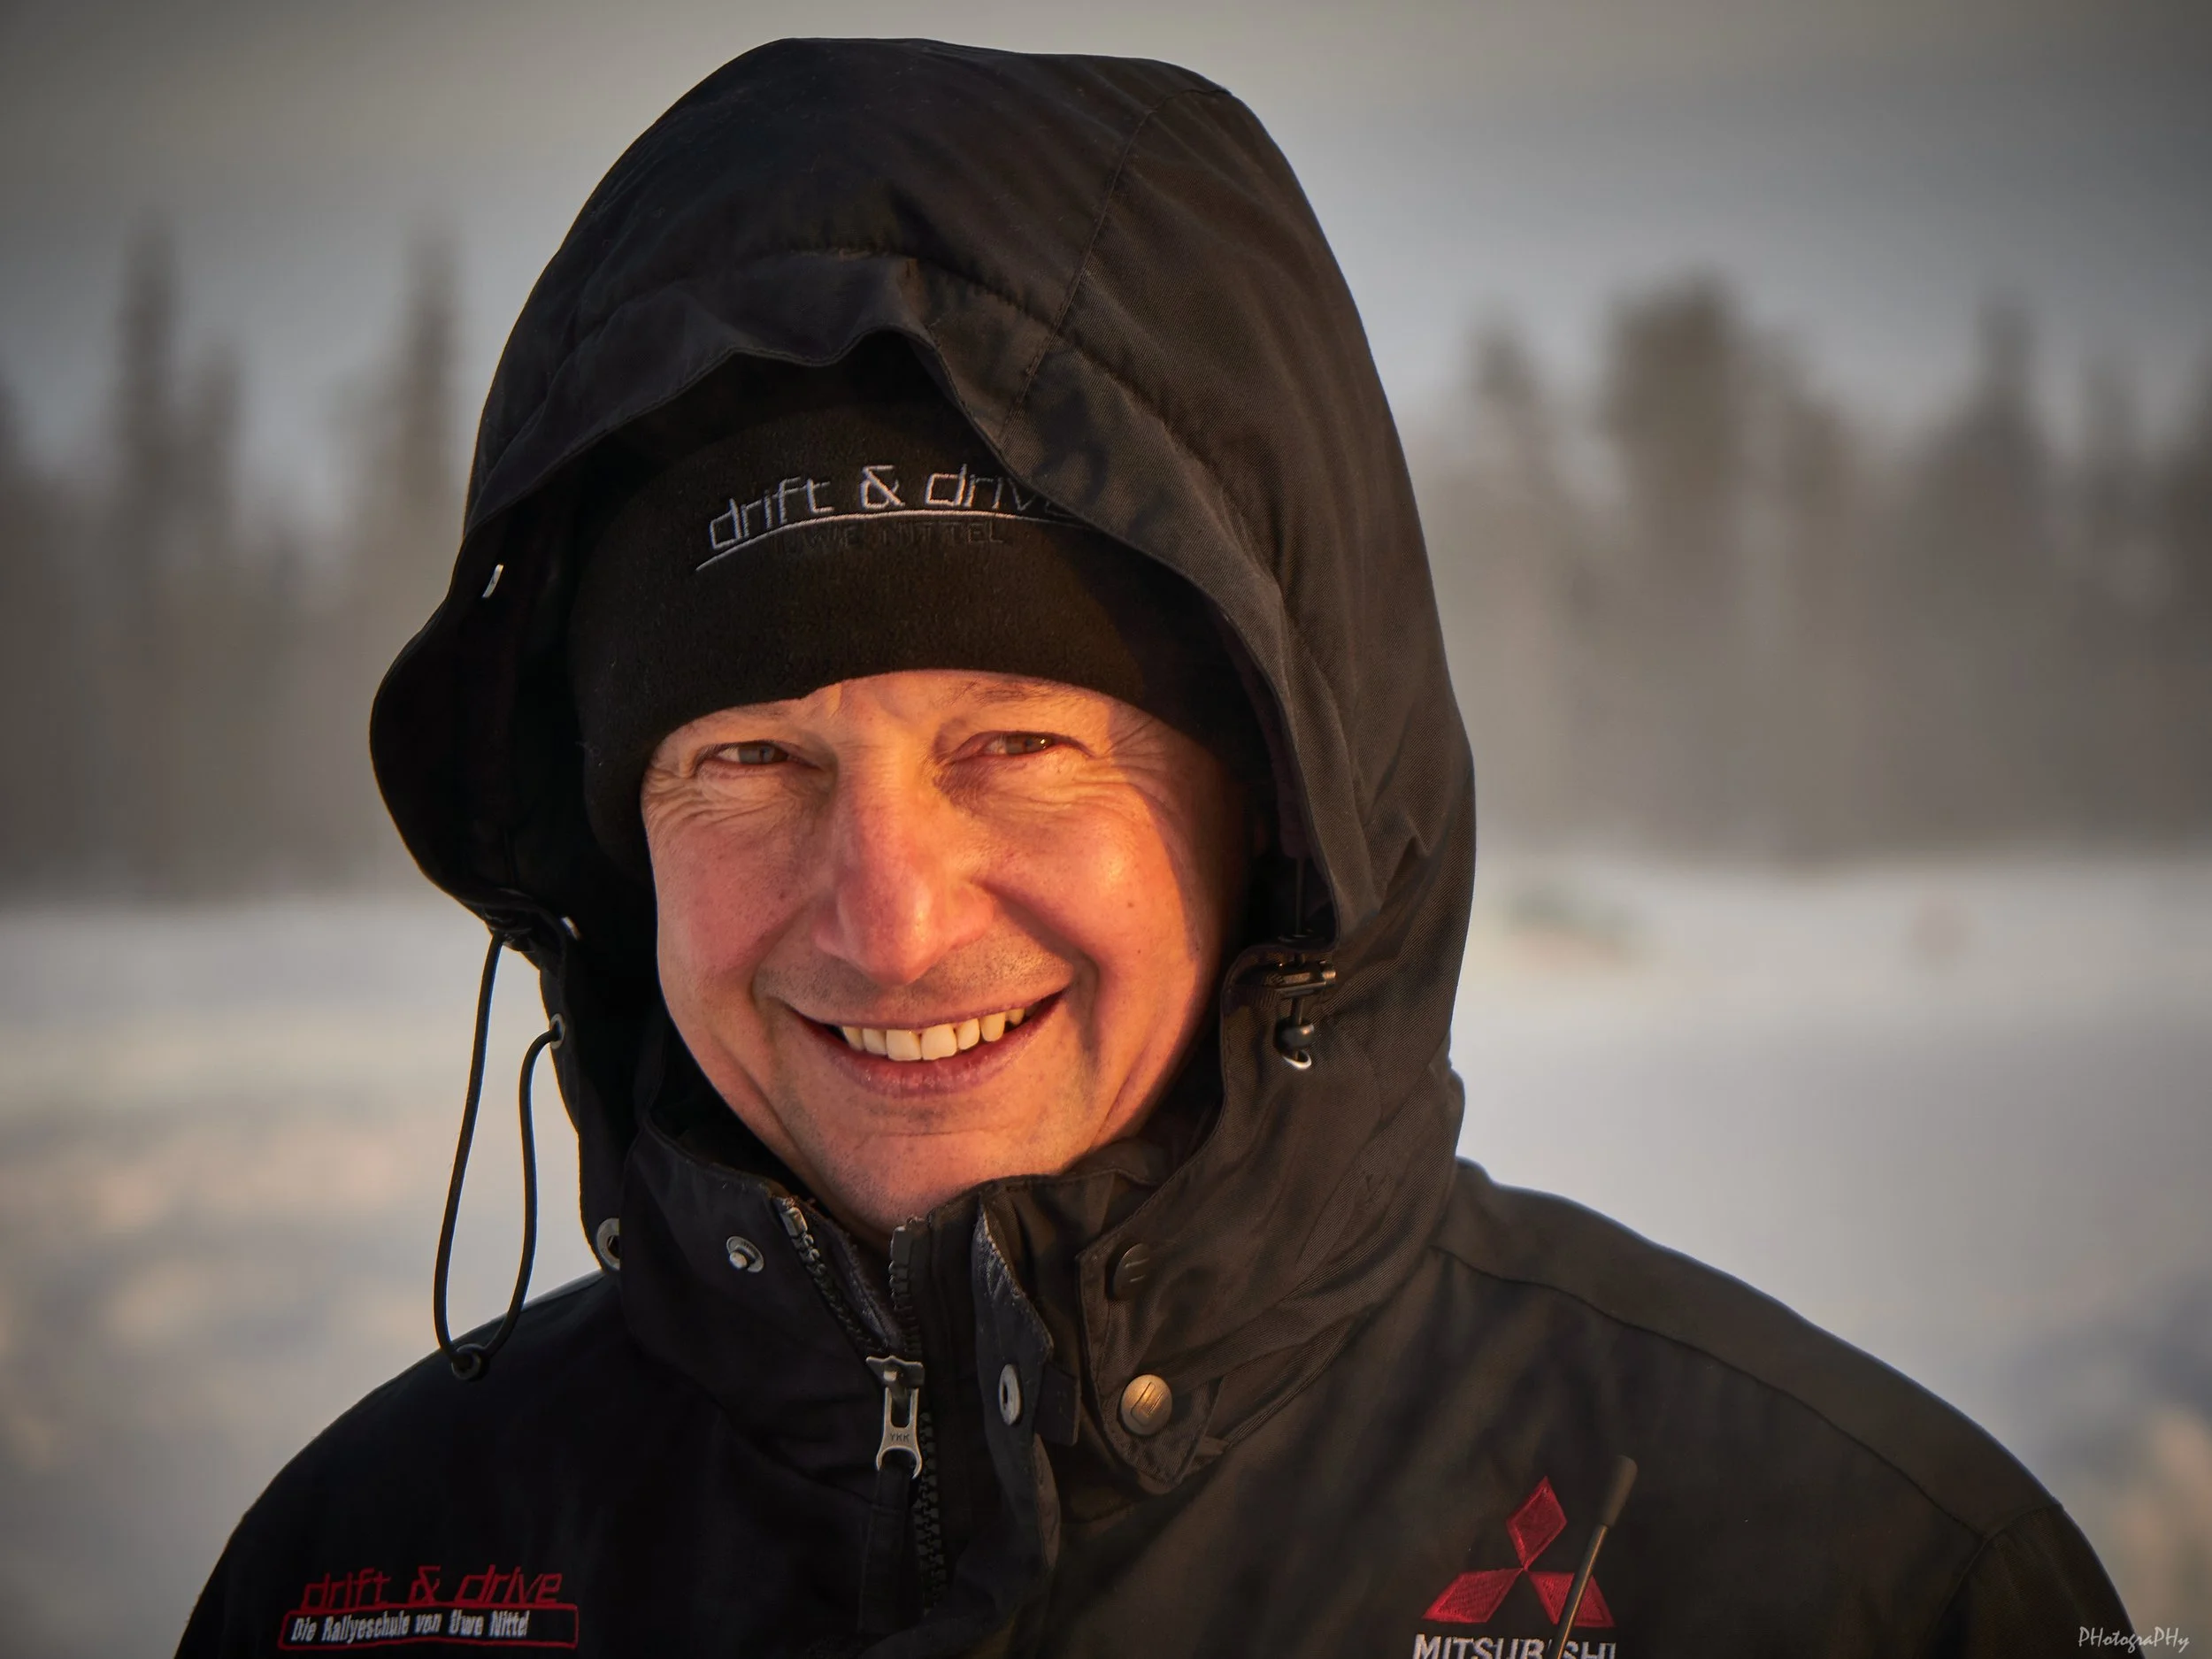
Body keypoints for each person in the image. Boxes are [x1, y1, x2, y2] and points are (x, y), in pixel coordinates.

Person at [179, 37, 2127, 1658]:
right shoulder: (369, 1575)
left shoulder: (1853, 1578)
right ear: (617, 849)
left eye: (1017, 747)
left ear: (1267, 806)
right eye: (751, 761)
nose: (888, 917)